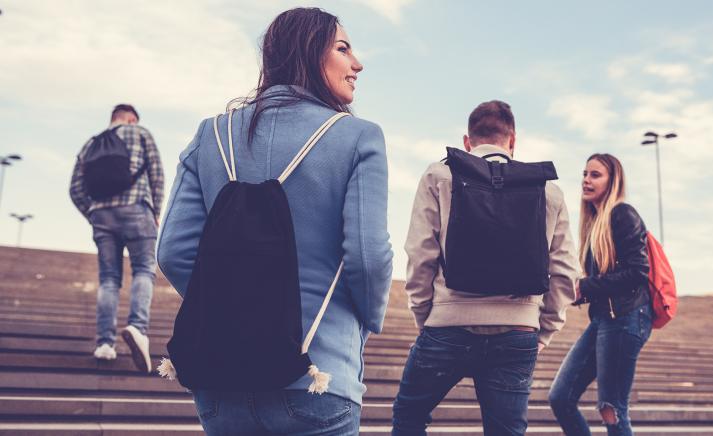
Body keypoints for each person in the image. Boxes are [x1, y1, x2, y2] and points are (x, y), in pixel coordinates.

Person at [156, 7, 392, 435]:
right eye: (343, 48)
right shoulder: (358, 136)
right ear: (308, 52)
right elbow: (368, 257)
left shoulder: (211, 134)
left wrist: (239, 303)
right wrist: (368, 321)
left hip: (219, 378)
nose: (358, 63)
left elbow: (173, 250)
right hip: (317, 373)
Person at [392, 100, 579, 435]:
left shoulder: (440, 175)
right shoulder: (548, 191)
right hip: (517, 331)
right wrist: (541, 330)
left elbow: (420, 253)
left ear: (467, 141)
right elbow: (565, 271)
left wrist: (427, 317)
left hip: (447, 326)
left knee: (409, 415)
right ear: (513, 140)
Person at [548, 153, 652, 436]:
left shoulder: (622, 214)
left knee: (612, 407)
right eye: (584, 174)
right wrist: (574, 290)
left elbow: (638, 271)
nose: (586, 180)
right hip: (604, 319)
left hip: (627, 317)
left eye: (595, 175)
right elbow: (602, 280)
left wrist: (586, 287)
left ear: (612, 180)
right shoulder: (594, 223)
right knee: (560, 397)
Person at [69, 104, 165, 373]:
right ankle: (137, 327)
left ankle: (105, 344)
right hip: (137, 209)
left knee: (109, 279)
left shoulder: (91, 144)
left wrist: (93, 213)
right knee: (144, 270)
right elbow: (156, 173)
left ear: (112, 119)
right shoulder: (140, 133)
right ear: (131, 119)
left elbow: (75, 188)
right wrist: (155, 210)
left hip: (101, 215)